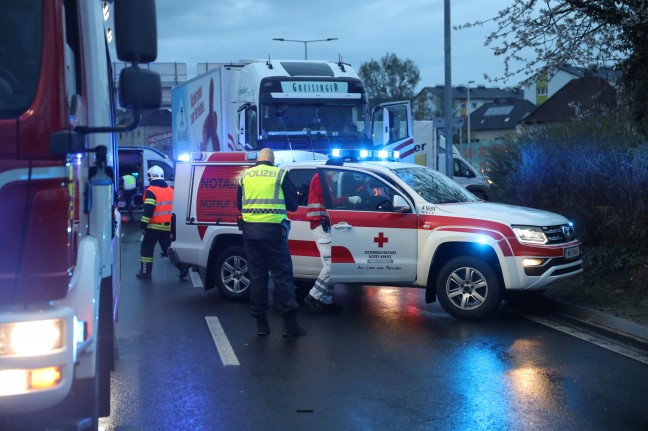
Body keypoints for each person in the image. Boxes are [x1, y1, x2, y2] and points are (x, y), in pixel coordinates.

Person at [236, 148, 305, 337]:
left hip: (250, 233)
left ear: (258, 159)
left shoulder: (245, 176)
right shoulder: (279, 174)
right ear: (272, 160)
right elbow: (293, 205)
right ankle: (289, 326)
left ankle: (261, 325)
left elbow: (239, 205)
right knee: (282, 277)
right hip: (274, 233)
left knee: (258, 278)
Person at [303, 159, 364, 314]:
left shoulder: (325, 178)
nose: (338, 174)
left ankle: (326, 300)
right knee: (332, 264)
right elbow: (328, 201)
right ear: (331, 168)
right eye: (337, 171)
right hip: (319, 223)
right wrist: (348, 199)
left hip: (323, 223)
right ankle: (313, 296)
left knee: (333, 265)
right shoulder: (320, 178)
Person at [136, 165, 174, 280]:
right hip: (168, 227)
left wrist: (143, 226)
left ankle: (145, 273)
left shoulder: (151, 190)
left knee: (146, 249)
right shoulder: (170, 190)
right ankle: (182, 267)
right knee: (169, 250)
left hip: (153, 227)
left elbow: (149, 209)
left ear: (150, 177)